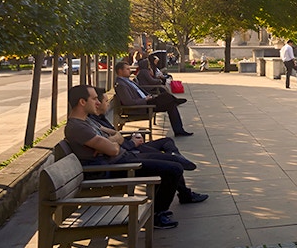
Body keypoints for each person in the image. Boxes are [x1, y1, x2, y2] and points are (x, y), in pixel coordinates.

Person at [63, 84, 206, 230]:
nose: (98, 102)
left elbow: (114, 135)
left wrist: (110, 142)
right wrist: (112, 143)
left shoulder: (87, 121)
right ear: (82, 102)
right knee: (174, 169)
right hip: (114, 168)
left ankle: (177, 167)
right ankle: (157, 215)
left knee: (171, 162)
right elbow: (113, 149)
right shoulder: (77, 127)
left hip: (122, 159)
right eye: (94, 99)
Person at [89, 90, 197, 170]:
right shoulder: (88, 124)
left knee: (167, 141)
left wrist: (128, 138)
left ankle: (175, 155)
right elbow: (110, 145)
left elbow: (114, 137)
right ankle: (174, 158)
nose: (108, 104)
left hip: (127, 147)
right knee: (171, 163)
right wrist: (131, 142)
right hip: (127, 151)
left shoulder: (98, 119)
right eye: (106, 101)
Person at [114, 61, 193, 136]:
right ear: (120, 71)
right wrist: (145, 99)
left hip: (147, 100)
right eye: (127, 69)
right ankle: (178, 126)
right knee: (167, 97)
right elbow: (128, 102)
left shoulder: (127, 81)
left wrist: (150, 96)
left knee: (170, 103)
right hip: (143, 106)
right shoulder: (121, 84)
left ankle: (179, 130)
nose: (130, 70)